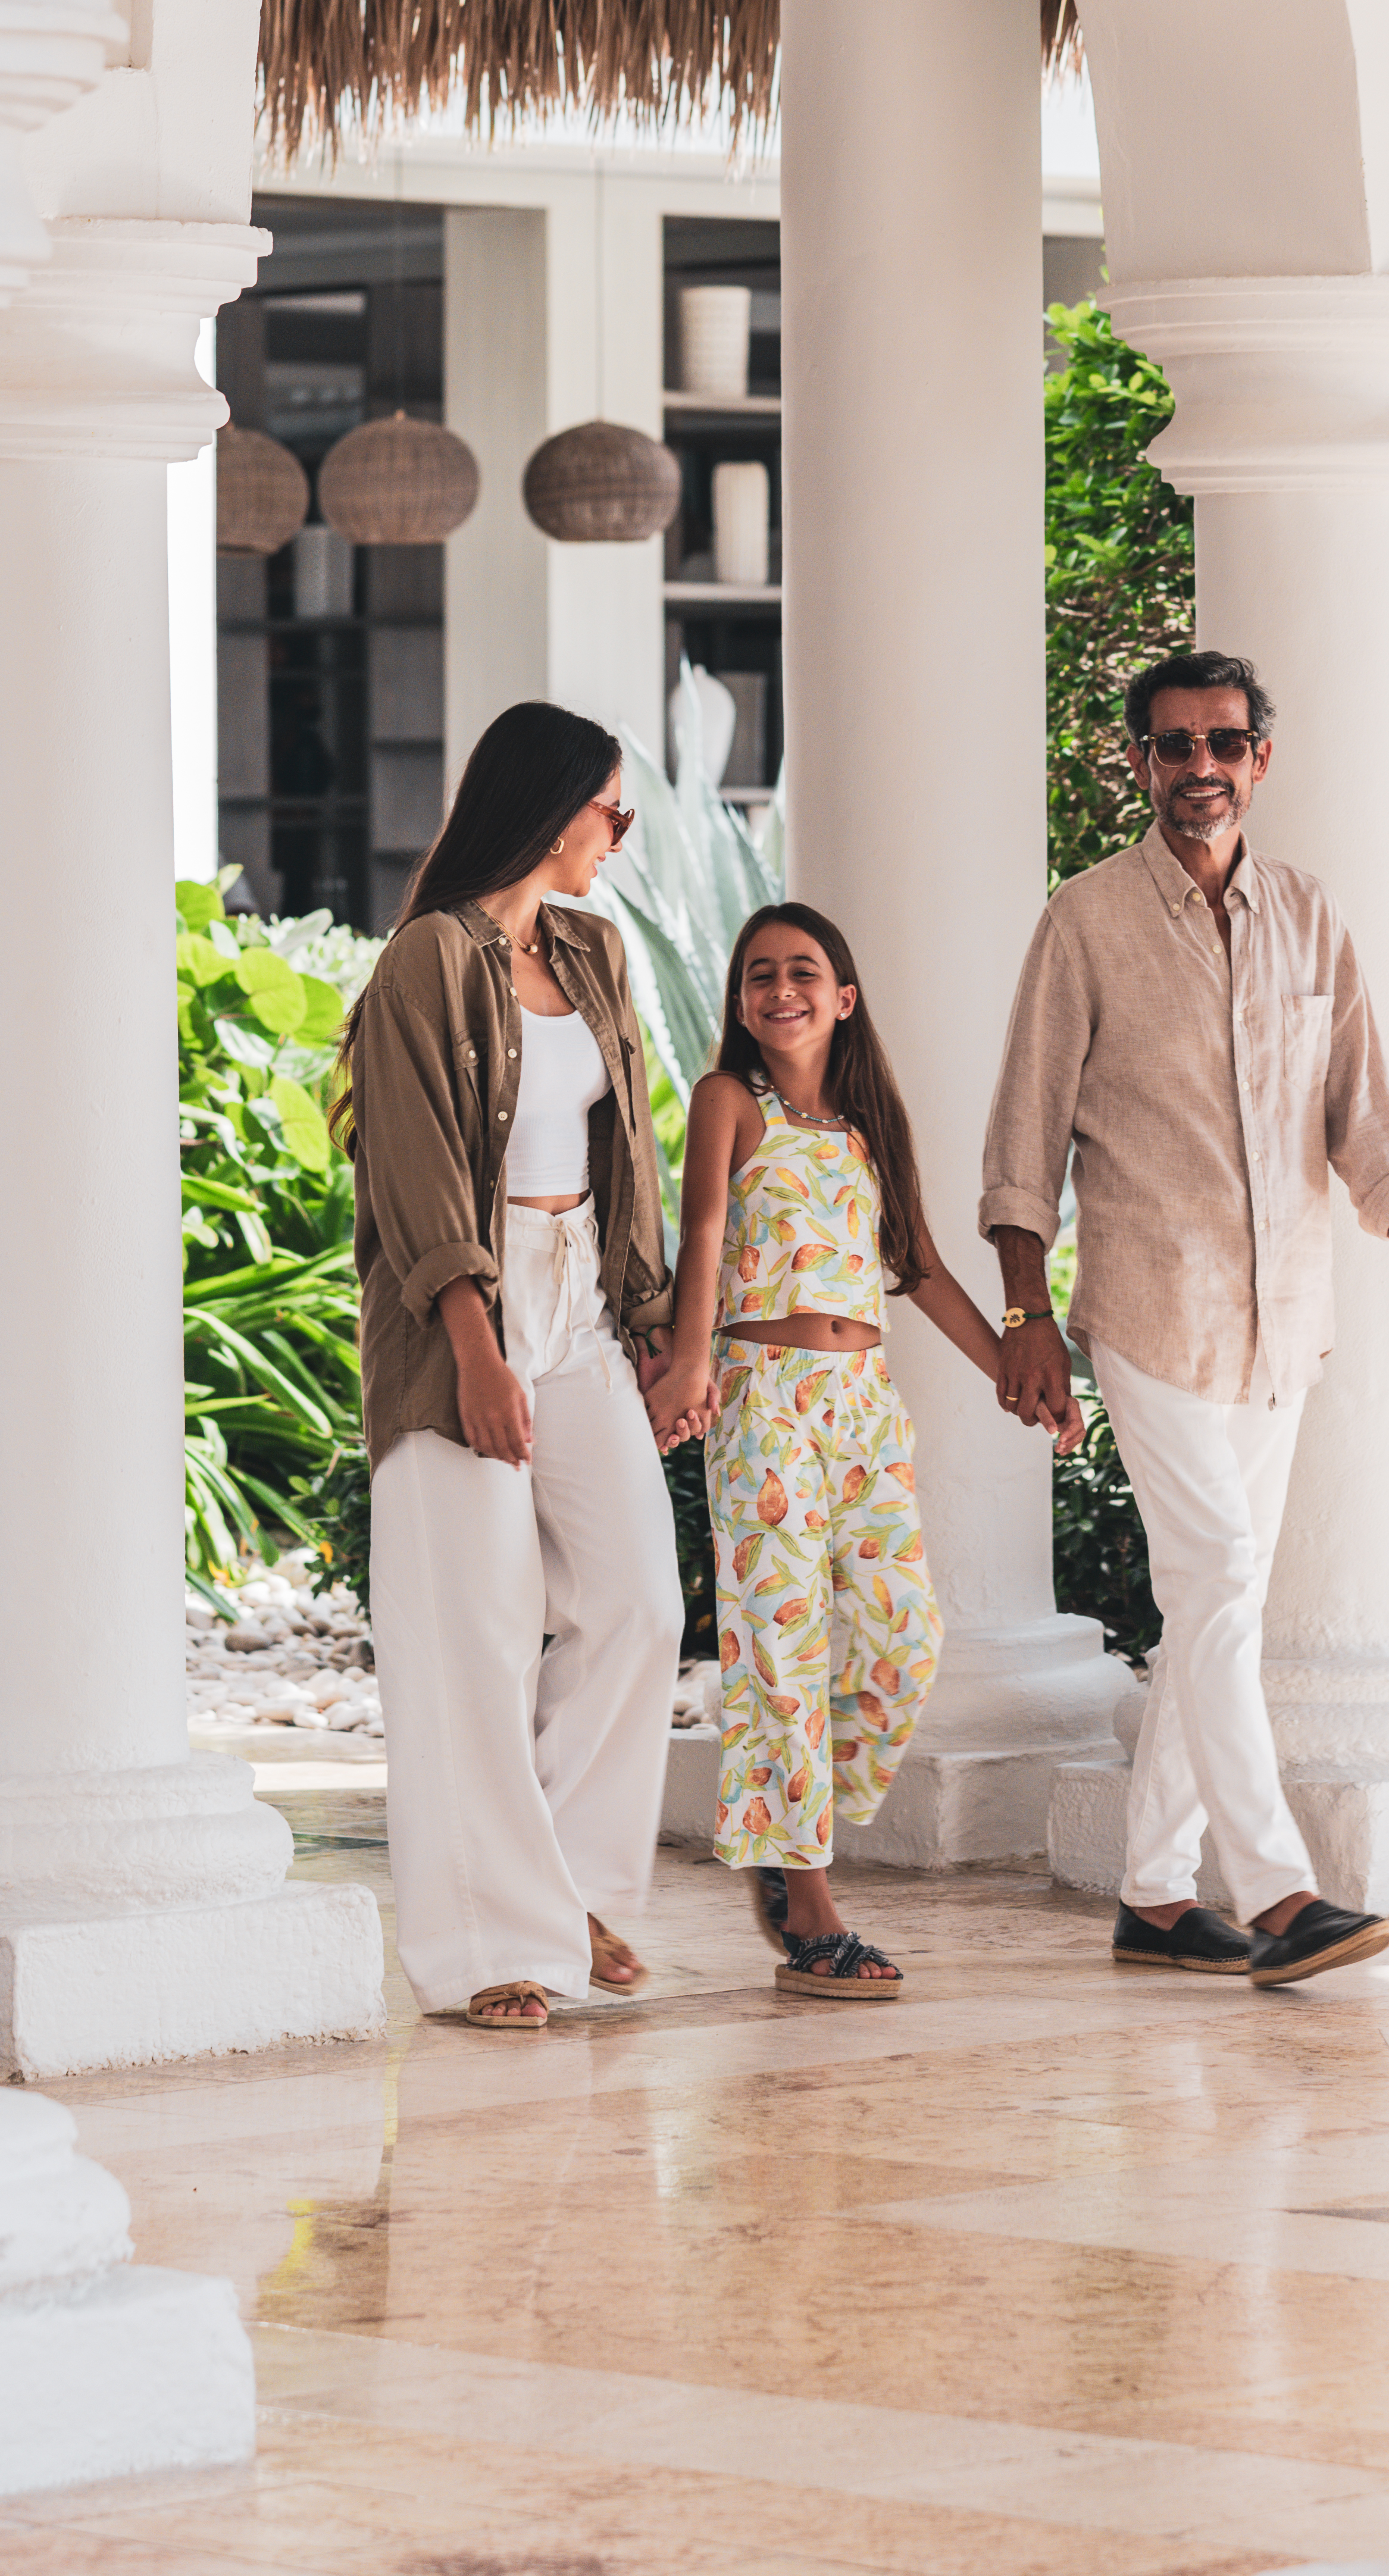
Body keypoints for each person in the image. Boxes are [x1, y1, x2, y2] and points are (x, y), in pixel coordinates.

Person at [979, 649, 1389, 1989]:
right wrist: (1025, 1309)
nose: (1199, 764)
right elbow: (1021, 1133)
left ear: (1260, 759)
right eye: (1173, 743)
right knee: (1211, 1581)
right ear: (1138, 762)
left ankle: (1151, 1892)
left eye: (1223, 741)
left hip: (1286, 1320)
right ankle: (1278, 1887)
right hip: (1149, 1309)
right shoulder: (1081, 921)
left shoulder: (1311, 916)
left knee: (1219, 1599)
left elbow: (1363, 1114)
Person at [346, 703, 686, 2034]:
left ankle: (577, 1888)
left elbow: (633, 1148)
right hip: (459, 1315)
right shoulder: (429, 958)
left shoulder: (592, 952)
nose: (623, 833)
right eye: (612, 807)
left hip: (582, 1300)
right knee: (469, 1632)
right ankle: (486, 1941)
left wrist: (651, 1317)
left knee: (639, 1601)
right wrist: (475, 1349)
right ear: (551, 808)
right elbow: (418, 1166)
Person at [668, 903, 1003, 1999]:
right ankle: (807, 1894)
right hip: (764, 1398)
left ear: (844, 998)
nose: (781, 989)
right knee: (782, 1651)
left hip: (863, 1405)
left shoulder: (866, 1130)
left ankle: (782, 1828)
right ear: (740, 1002)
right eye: (758, 974)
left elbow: (921, 1267)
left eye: (804, 971)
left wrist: (1014, 1369)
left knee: (905, 1637)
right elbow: (706, 1235)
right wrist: (687, 1361)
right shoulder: (729, 1102)